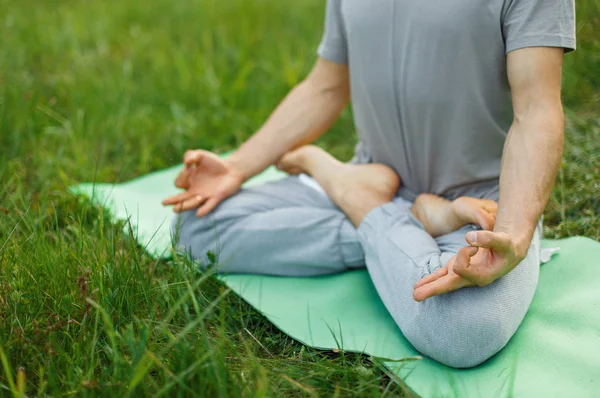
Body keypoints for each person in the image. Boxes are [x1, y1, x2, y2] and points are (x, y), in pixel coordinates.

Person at [162, 0, 575, 368]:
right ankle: (392, 215)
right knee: (198, 226)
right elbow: (325, 85)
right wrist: (237, 166)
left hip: (481, 208)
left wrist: (514, 234)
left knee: (462, 329)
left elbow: (536, 113)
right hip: (375, 174)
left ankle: (370, 207)